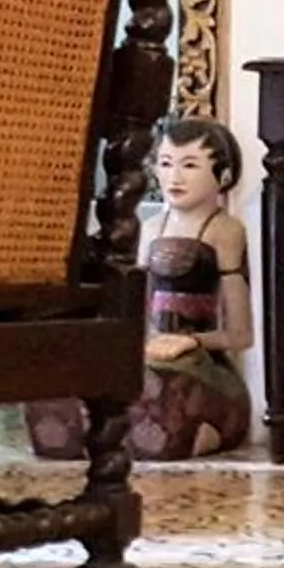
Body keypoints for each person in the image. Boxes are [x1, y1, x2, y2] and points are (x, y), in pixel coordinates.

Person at [30, 117, 256, 461]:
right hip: (147, 349)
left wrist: (190, 341)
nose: (174, 176)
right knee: (64, 382)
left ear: (223, 176)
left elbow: (241, 335)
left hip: (197, 363)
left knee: (159, 392)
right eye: (165, 164)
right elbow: (134, 305)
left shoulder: (224, 231)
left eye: (190, 165)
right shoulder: (149, 229)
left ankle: (192, 426)